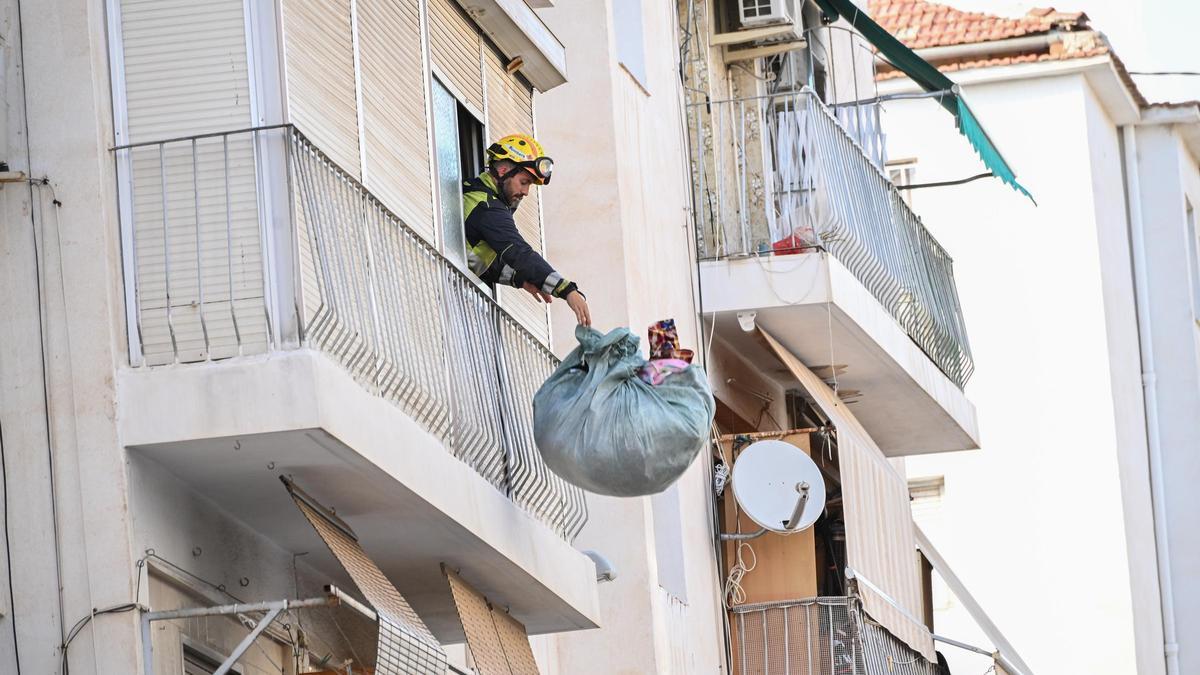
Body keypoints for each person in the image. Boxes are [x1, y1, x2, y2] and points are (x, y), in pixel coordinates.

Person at [462, 133, 591, 326]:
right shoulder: (487, 207)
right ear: (503, 170)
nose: (525, 192)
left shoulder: (475, 195)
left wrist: (520, 279)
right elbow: (518, 252)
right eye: (524, 182)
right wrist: (567, 290)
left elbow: (478, 262)